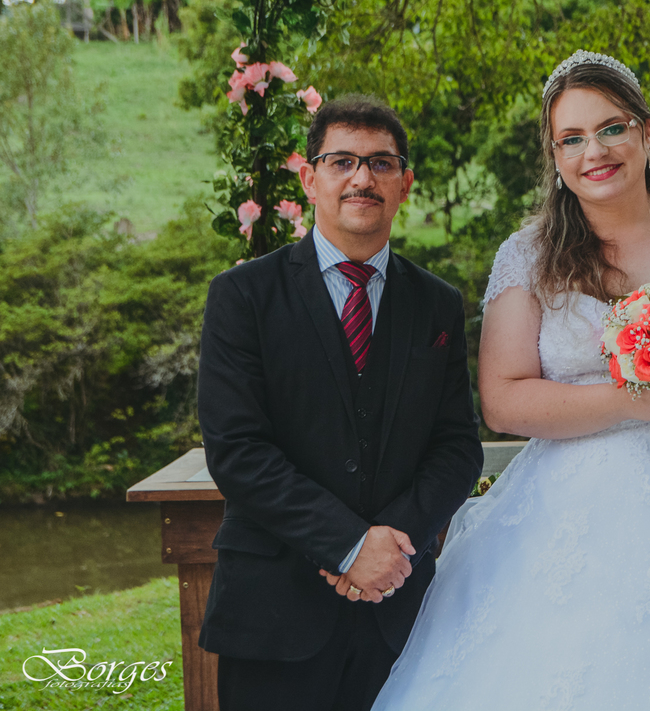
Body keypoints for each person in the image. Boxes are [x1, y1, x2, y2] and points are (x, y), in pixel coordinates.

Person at [368, 51, 650, 709]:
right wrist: (632, 400)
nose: (595, 152)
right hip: (563, 521)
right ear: (554, 156)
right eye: (572, 138)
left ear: (646, 130)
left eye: (611, 128)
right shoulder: (528, 255)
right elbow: (503, 399)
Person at [196, 95, 484, 711]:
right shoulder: (242, 296)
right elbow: (238, 451)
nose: (362, 178)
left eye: (381, 163)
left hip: (401, 616)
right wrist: (350, 546)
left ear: (405, 183)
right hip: (274, 612)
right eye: (342, 161)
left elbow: (457, 446)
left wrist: (391, 548)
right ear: (310, 178)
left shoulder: (436, 304)